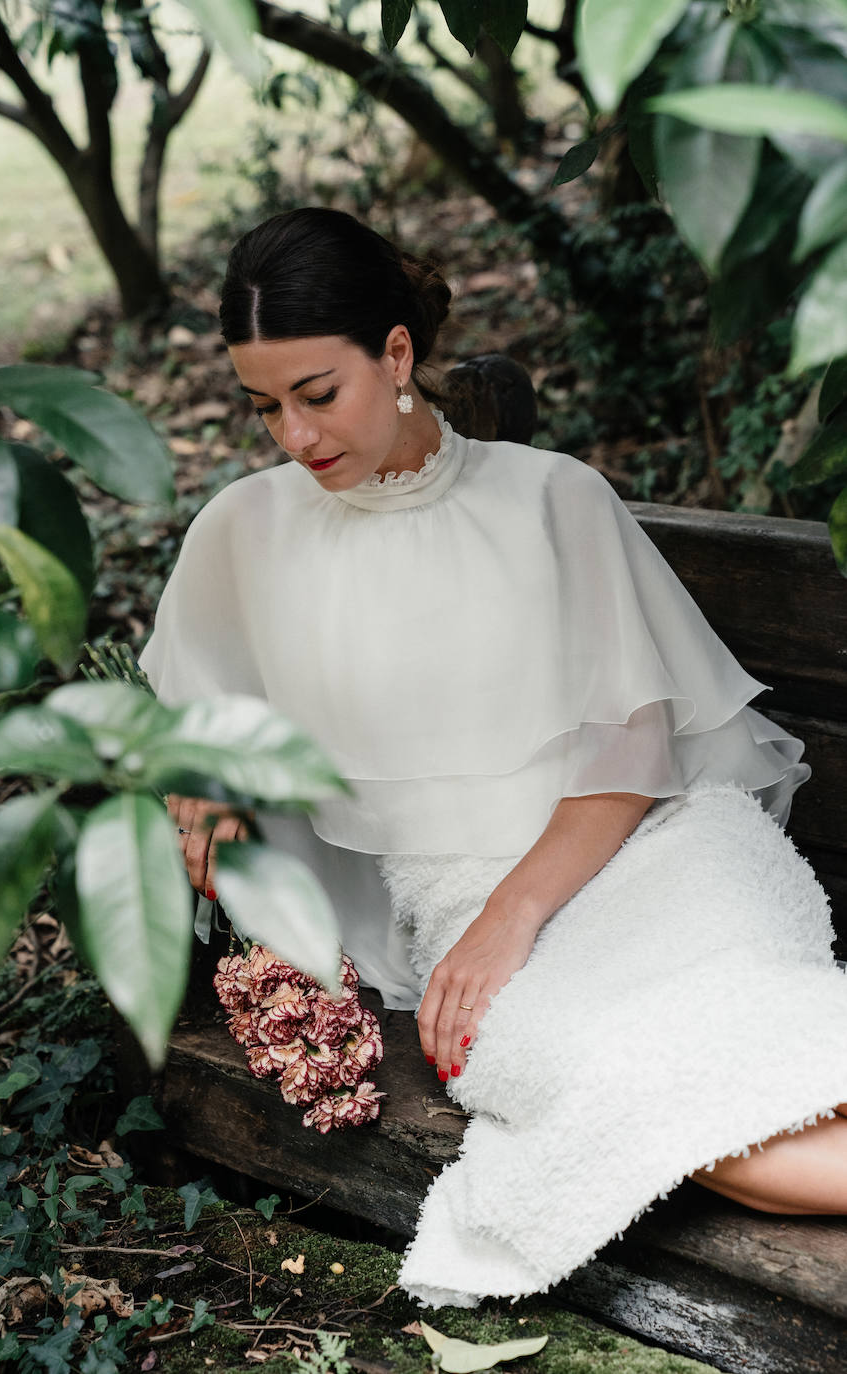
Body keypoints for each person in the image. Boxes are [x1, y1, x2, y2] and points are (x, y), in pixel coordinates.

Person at [140, 206, 847, 1307]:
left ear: (397, 352)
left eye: (316, 394)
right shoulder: (244, 532)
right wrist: (201, 787)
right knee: (685, 1119)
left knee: (779, 1056)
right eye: (262, 407)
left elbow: (630, 758)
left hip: (651, 859)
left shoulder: (551, 498)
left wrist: (510, 920)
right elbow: (192, 720)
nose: (292, 435)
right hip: (459, 919)